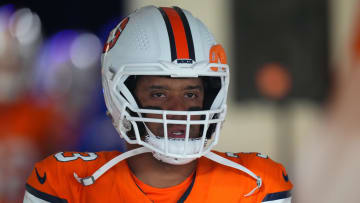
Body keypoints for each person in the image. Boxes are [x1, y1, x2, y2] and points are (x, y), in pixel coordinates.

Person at [23, 5, 293, 202]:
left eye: (190, 94)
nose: (178, 110)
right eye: (159, 94)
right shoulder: (67, 183)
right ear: (119, 94)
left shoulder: (255, 184)